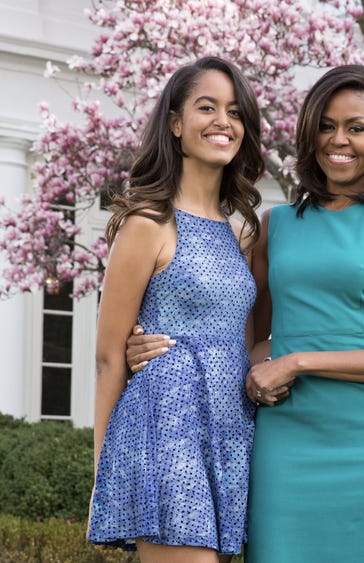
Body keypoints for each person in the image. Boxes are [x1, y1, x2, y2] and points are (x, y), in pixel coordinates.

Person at [240, 64, 364, 562]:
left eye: (356, 128)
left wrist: (298, 361)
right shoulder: (274, 226)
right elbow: (246, 337)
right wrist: (251, 369)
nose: (339, 140)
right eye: (326, 126)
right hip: (286, 442)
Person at [87, 56, 264, 562]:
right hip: (165, 429)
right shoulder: (147, 223)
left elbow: (247, 343)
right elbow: (109, 358)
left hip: (232, 431)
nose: (222, 122)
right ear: (175, 123)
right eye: (206, 107)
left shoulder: (242, 234)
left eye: (235, 112)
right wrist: (105, 474)